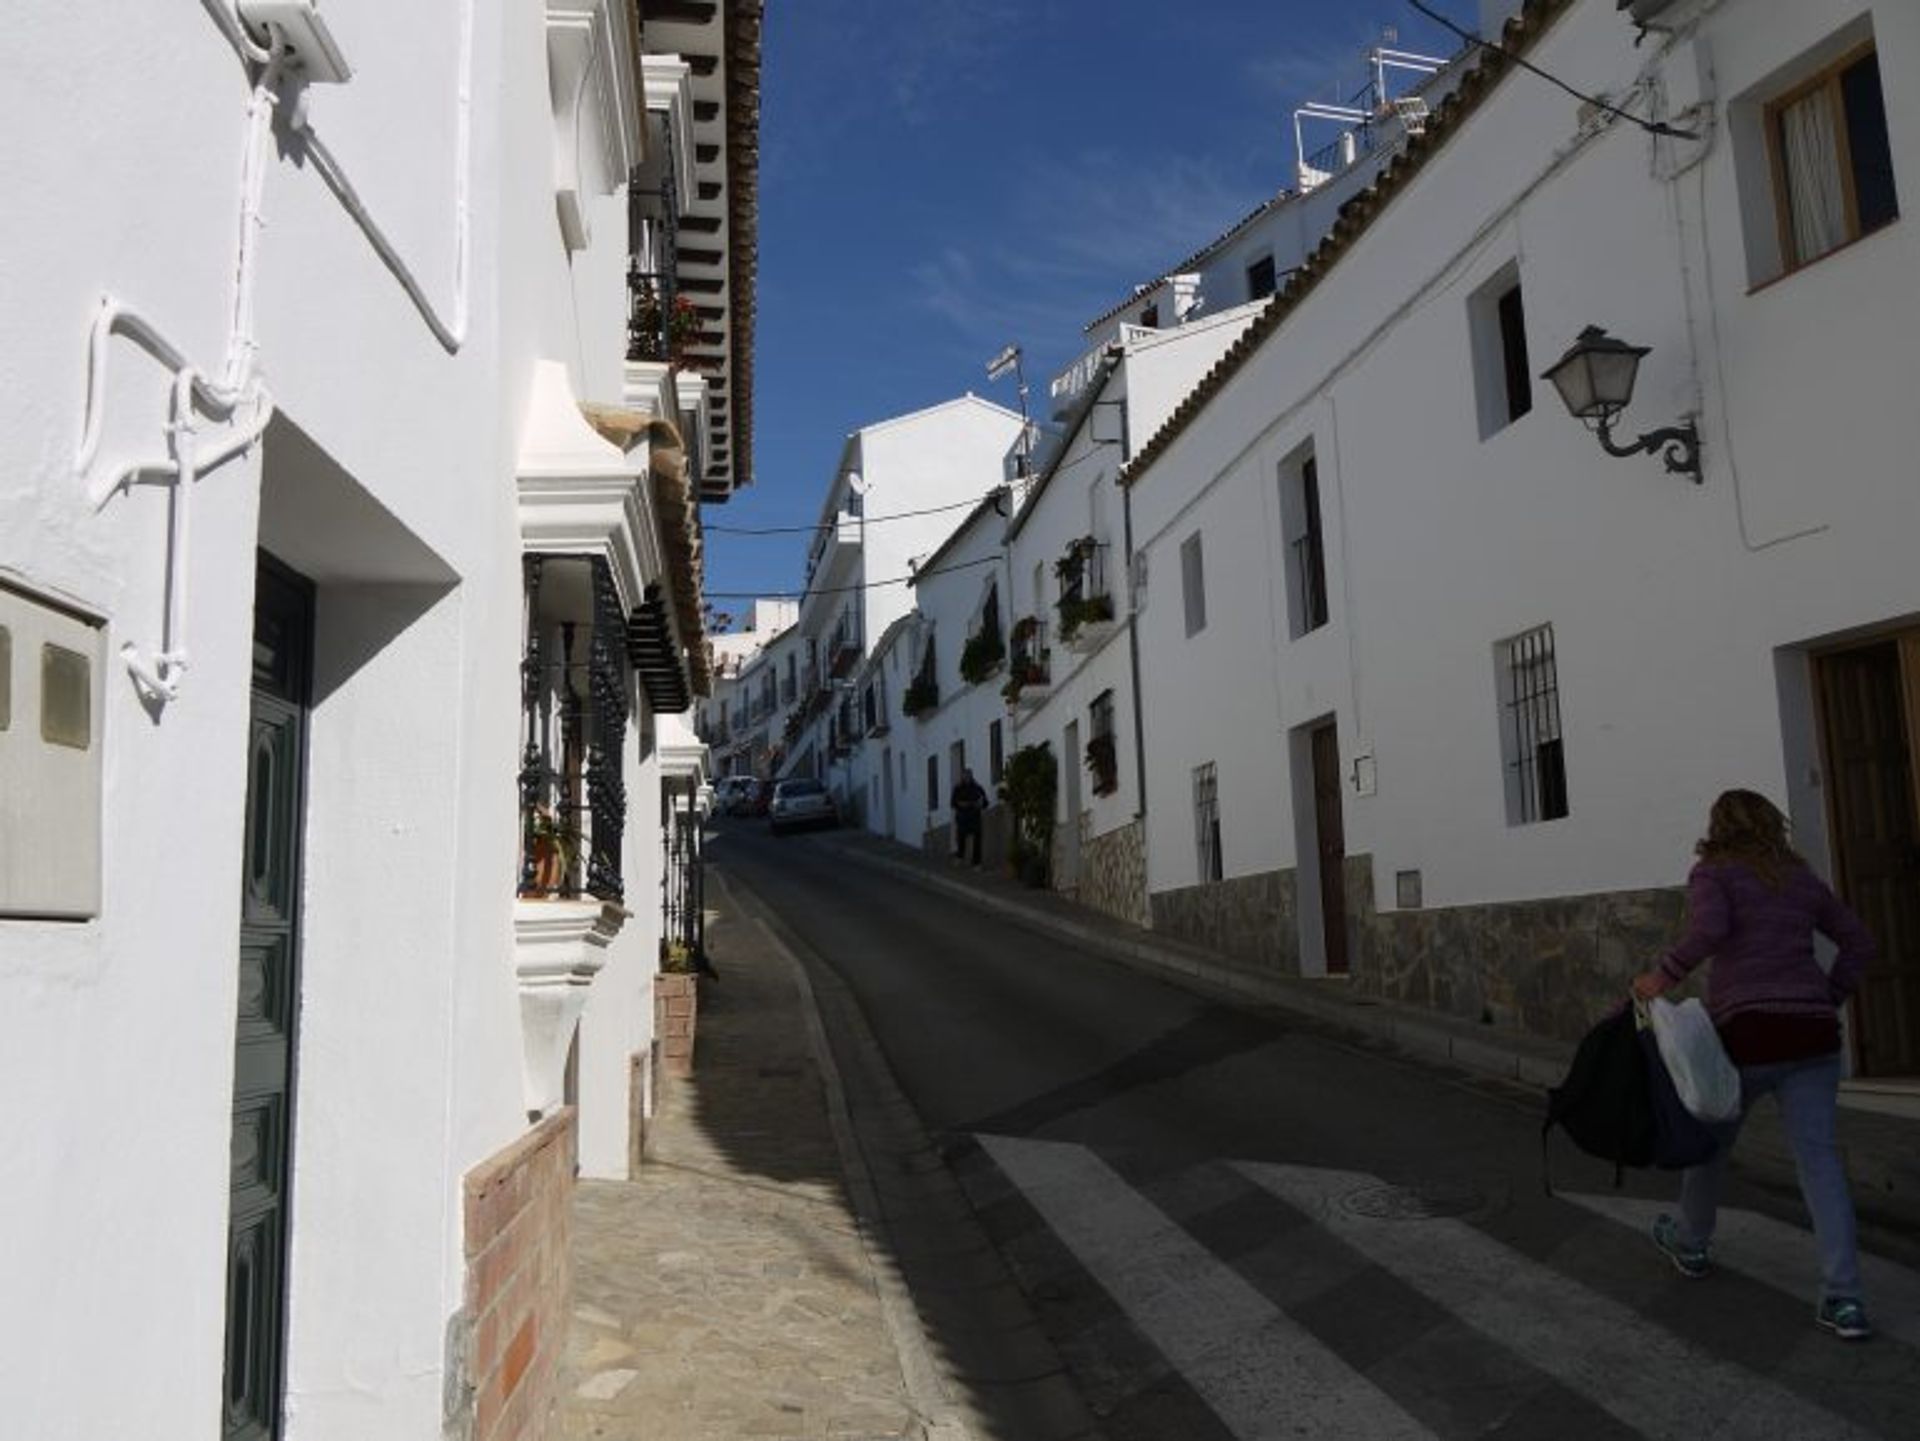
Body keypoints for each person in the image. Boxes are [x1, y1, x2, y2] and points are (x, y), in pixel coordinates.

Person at [1630, 789, 1877, 1341]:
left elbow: (1711, 930)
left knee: (1711, 1144)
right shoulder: (1801, 879)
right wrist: (1825, 998)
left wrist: (1661, 977)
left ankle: (1691, 1243)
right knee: (1820, 1164)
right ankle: (1845, 1299)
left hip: (1746, 1035)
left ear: (1719, 826)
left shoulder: (1714, 873)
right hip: (1812, 1037)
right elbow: (1860, 942)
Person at [949, 767, 988, 868]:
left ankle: (976, 862)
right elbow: (953, 803)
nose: (967, 777)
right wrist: (961, 804)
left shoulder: (978, 788)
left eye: (969, 775)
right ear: (962, 776)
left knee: (977, 841)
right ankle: (960, 857)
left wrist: (981, 804)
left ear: (971, 776)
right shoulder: (957, 789)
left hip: (975, 818)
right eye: (965, 775)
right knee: (961, 839)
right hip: (962, 818)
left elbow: (985, 802)